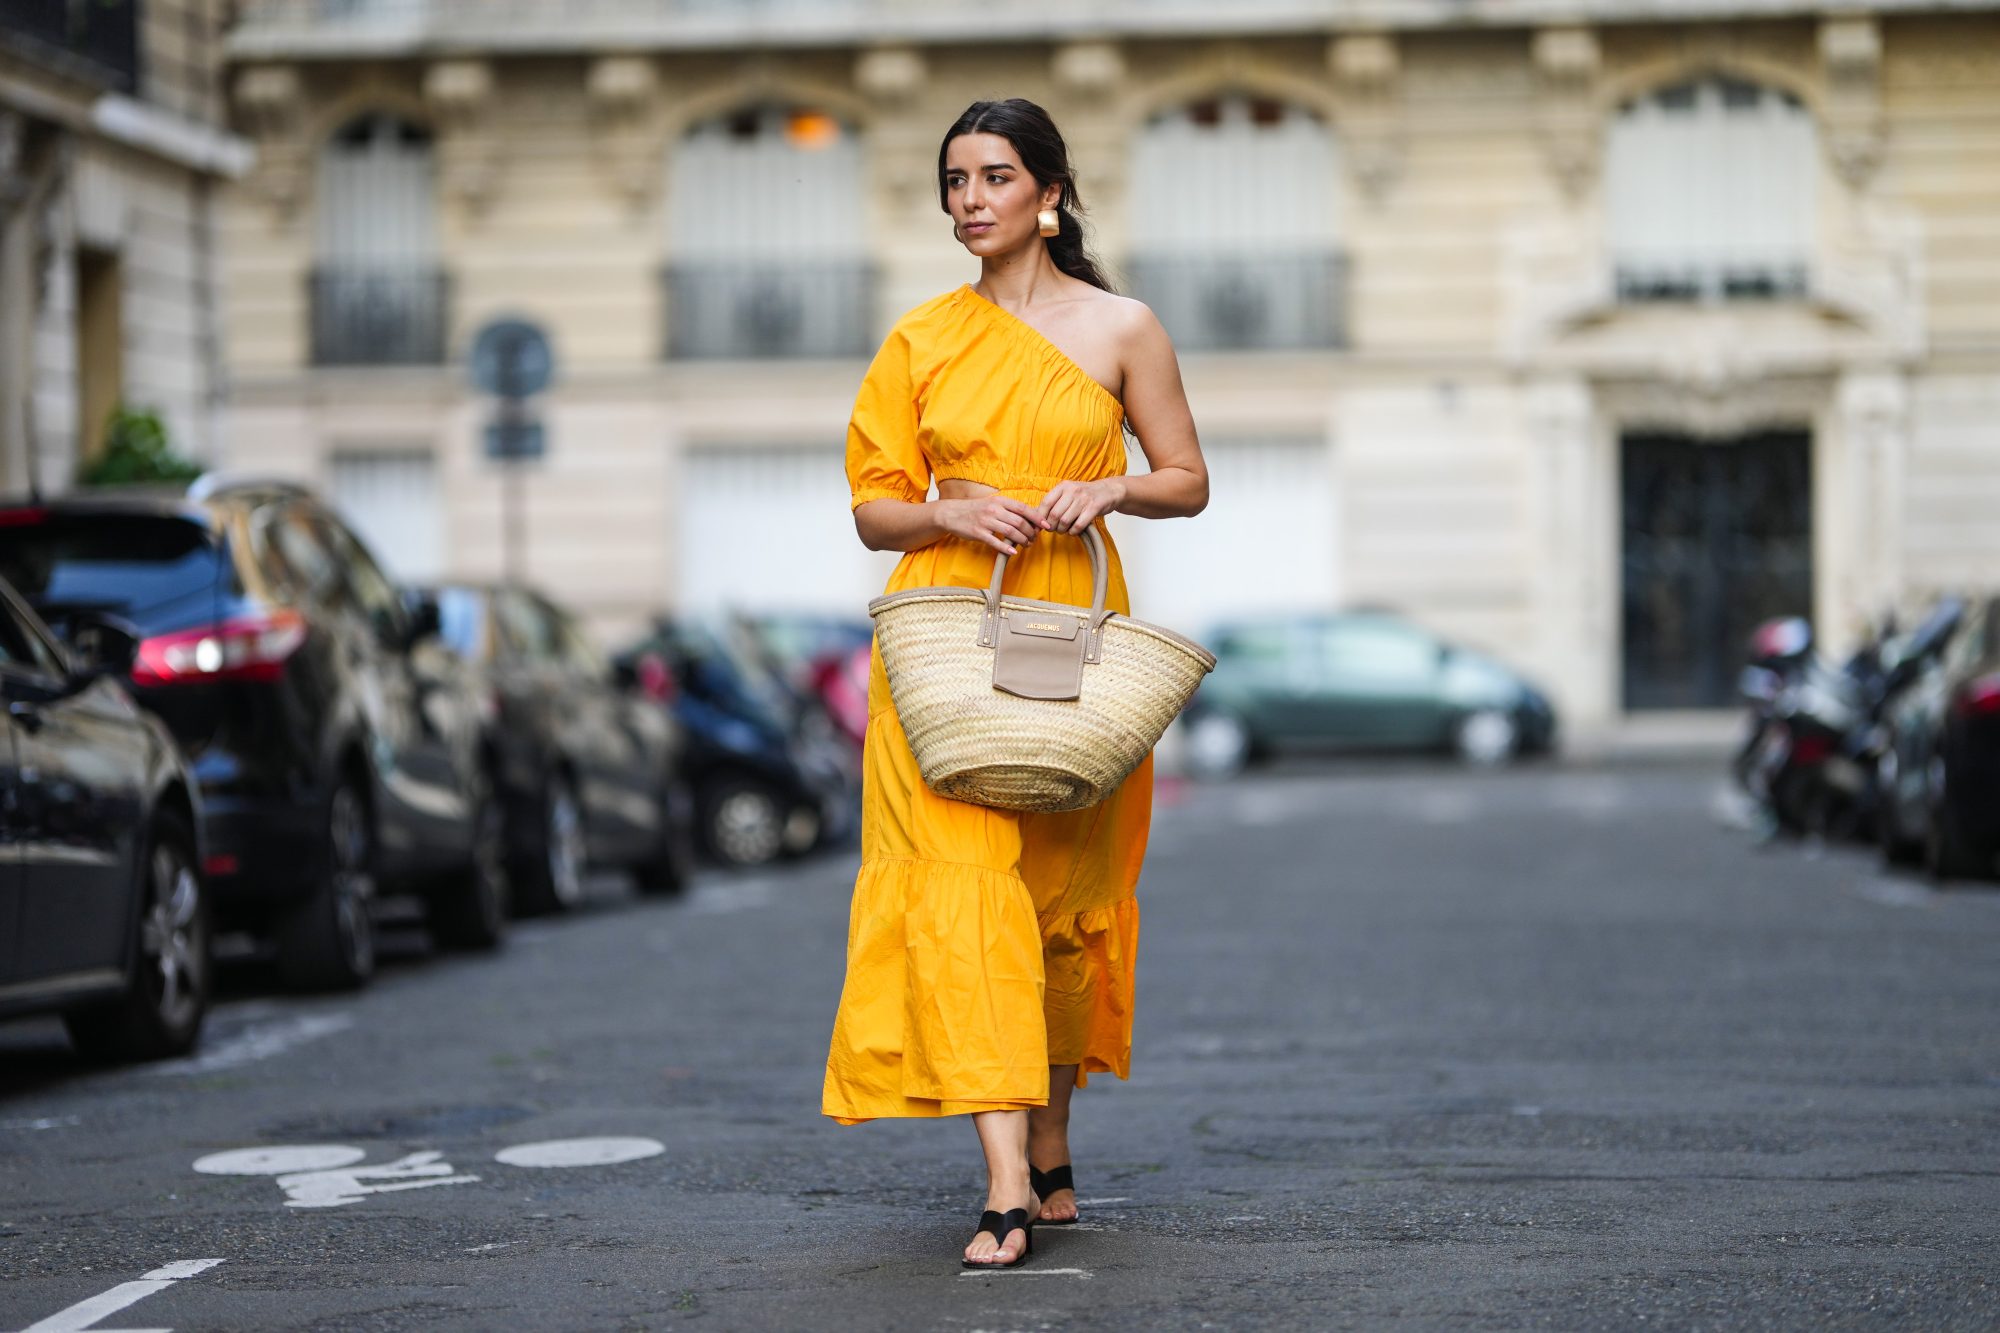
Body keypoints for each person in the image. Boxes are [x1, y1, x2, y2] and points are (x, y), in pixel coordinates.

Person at [822, 97, 1209, 1269]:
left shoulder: (1122, 328)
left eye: (993, 176)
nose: (970, 198)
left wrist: (1112, 490)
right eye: (953, 181)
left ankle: (1049, 1146)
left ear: (1048, 195)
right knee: (961, 891)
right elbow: (868, 505)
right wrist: (943, 507)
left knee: (1053, 901)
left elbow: (1186, 478)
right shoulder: (919, 338)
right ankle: (1000, 1181)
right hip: (942, 634)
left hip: (1071, 634)